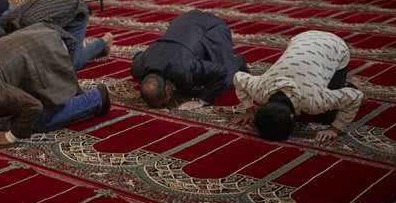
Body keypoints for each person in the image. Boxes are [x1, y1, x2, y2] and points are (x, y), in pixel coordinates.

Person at [0, 23, 110, 147]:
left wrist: (9, 137)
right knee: (12, 112)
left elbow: (34, 106)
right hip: (35, 33)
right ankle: (79, 95)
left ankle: (96, 98)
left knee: (41, 120)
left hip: (48, 46)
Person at [231, 30, 363, 142]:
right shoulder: (259, 89)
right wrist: (249, 110)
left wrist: (335, 129)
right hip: (302, 38)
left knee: (329, 117)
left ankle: (350, 85)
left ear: (292, 117)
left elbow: (356, 97)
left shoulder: (314, 102)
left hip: (335, 46)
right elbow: (237, 77)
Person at [130, 10, 247, 109]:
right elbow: (138, 55)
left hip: (211, 28)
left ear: (168, 88)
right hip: (184, 20)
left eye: (165, 102)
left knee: (224, 80)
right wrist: (145, 91)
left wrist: (201, 101)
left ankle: (237, 61)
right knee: (188, 82)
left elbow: (219, 71)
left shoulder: (184, 68)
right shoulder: (138, 67)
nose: (169, 102)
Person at [0, 0, 112, 71]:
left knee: (72, 65)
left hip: (76, 11)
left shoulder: (35, 26)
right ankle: (81, 45)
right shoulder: (7, 20)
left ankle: (103, 42)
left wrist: (74, 46)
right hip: (57, 7)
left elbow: (66, 38)